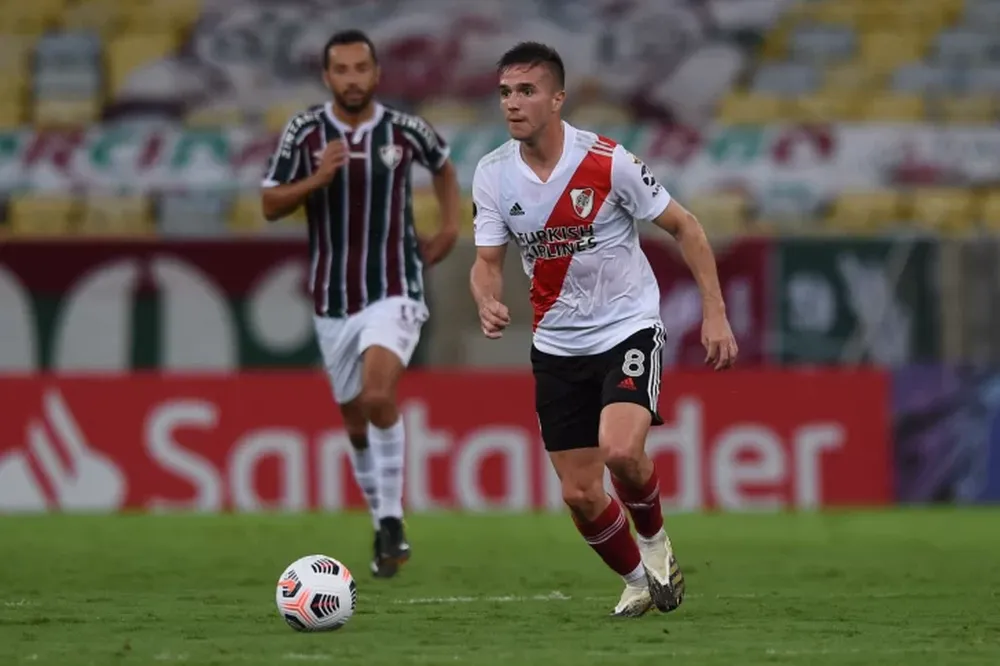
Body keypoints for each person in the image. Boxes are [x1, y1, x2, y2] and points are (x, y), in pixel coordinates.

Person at [469, 42, 738, 617]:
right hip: (556, 344)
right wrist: (486, 297)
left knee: (620, 450)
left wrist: (714, 313)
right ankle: (639, 580)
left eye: (526, 91)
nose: (512, 103)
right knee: (579, 493)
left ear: (557, 99)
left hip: (626, 328)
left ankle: (656, 543)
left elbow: (686, 227)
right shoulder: (492, 174)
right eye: (505, 92)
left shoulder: (607, 161)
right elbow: (486, 261)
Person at [261, 29, 461, 578]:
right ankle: (381, 524)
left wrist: (449, 226)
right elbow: (270, 203)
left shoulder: (404, 129)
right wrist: (317, 178)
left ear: (376, 74)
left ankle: (392, 520)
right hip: (333, 299)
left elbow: (443, 164)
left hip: (395, 285)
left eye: (361, 68)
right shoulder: (305, 131)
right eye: (342, 70)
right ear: (327, 77)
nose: (352, 79)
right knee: (354, 420)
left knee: (377, 395)